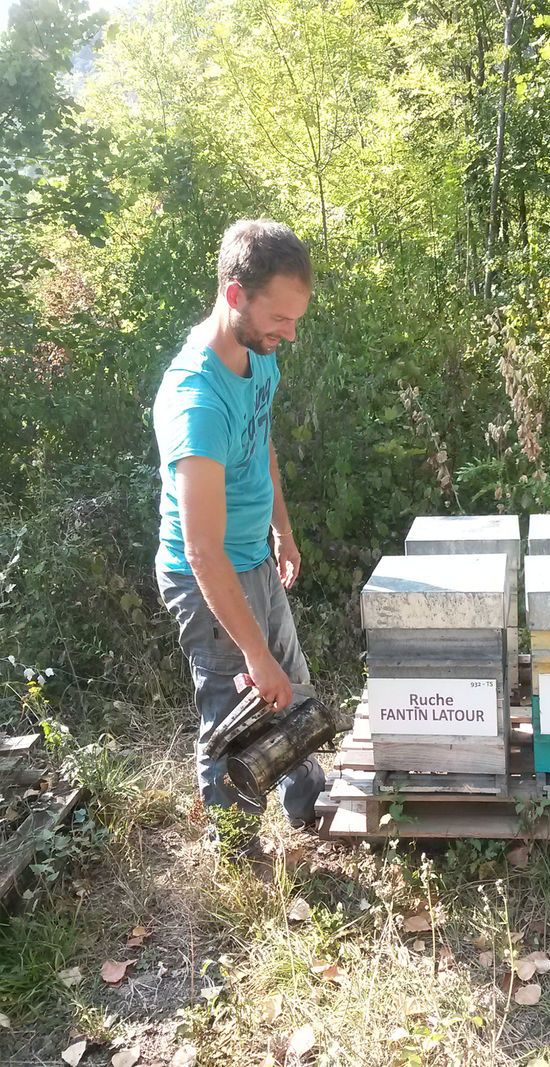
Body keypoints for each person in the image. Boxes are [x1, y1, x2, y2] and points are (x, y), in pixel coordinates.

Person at [153, 219, 325, 835]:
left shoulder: (259, 356)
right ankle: (232, 845)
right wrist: (255, 653)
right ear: (234, 296)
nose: (290, 333)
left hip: (254, 553)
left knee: (293, 686)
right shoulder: (194, 400)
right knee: (236, 709)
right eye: (281, 318)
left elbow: (262, 443)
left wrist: (282, 527)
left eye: (297, 319)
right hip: (206, 576)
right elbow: (200, 549)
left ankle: (307, 804)